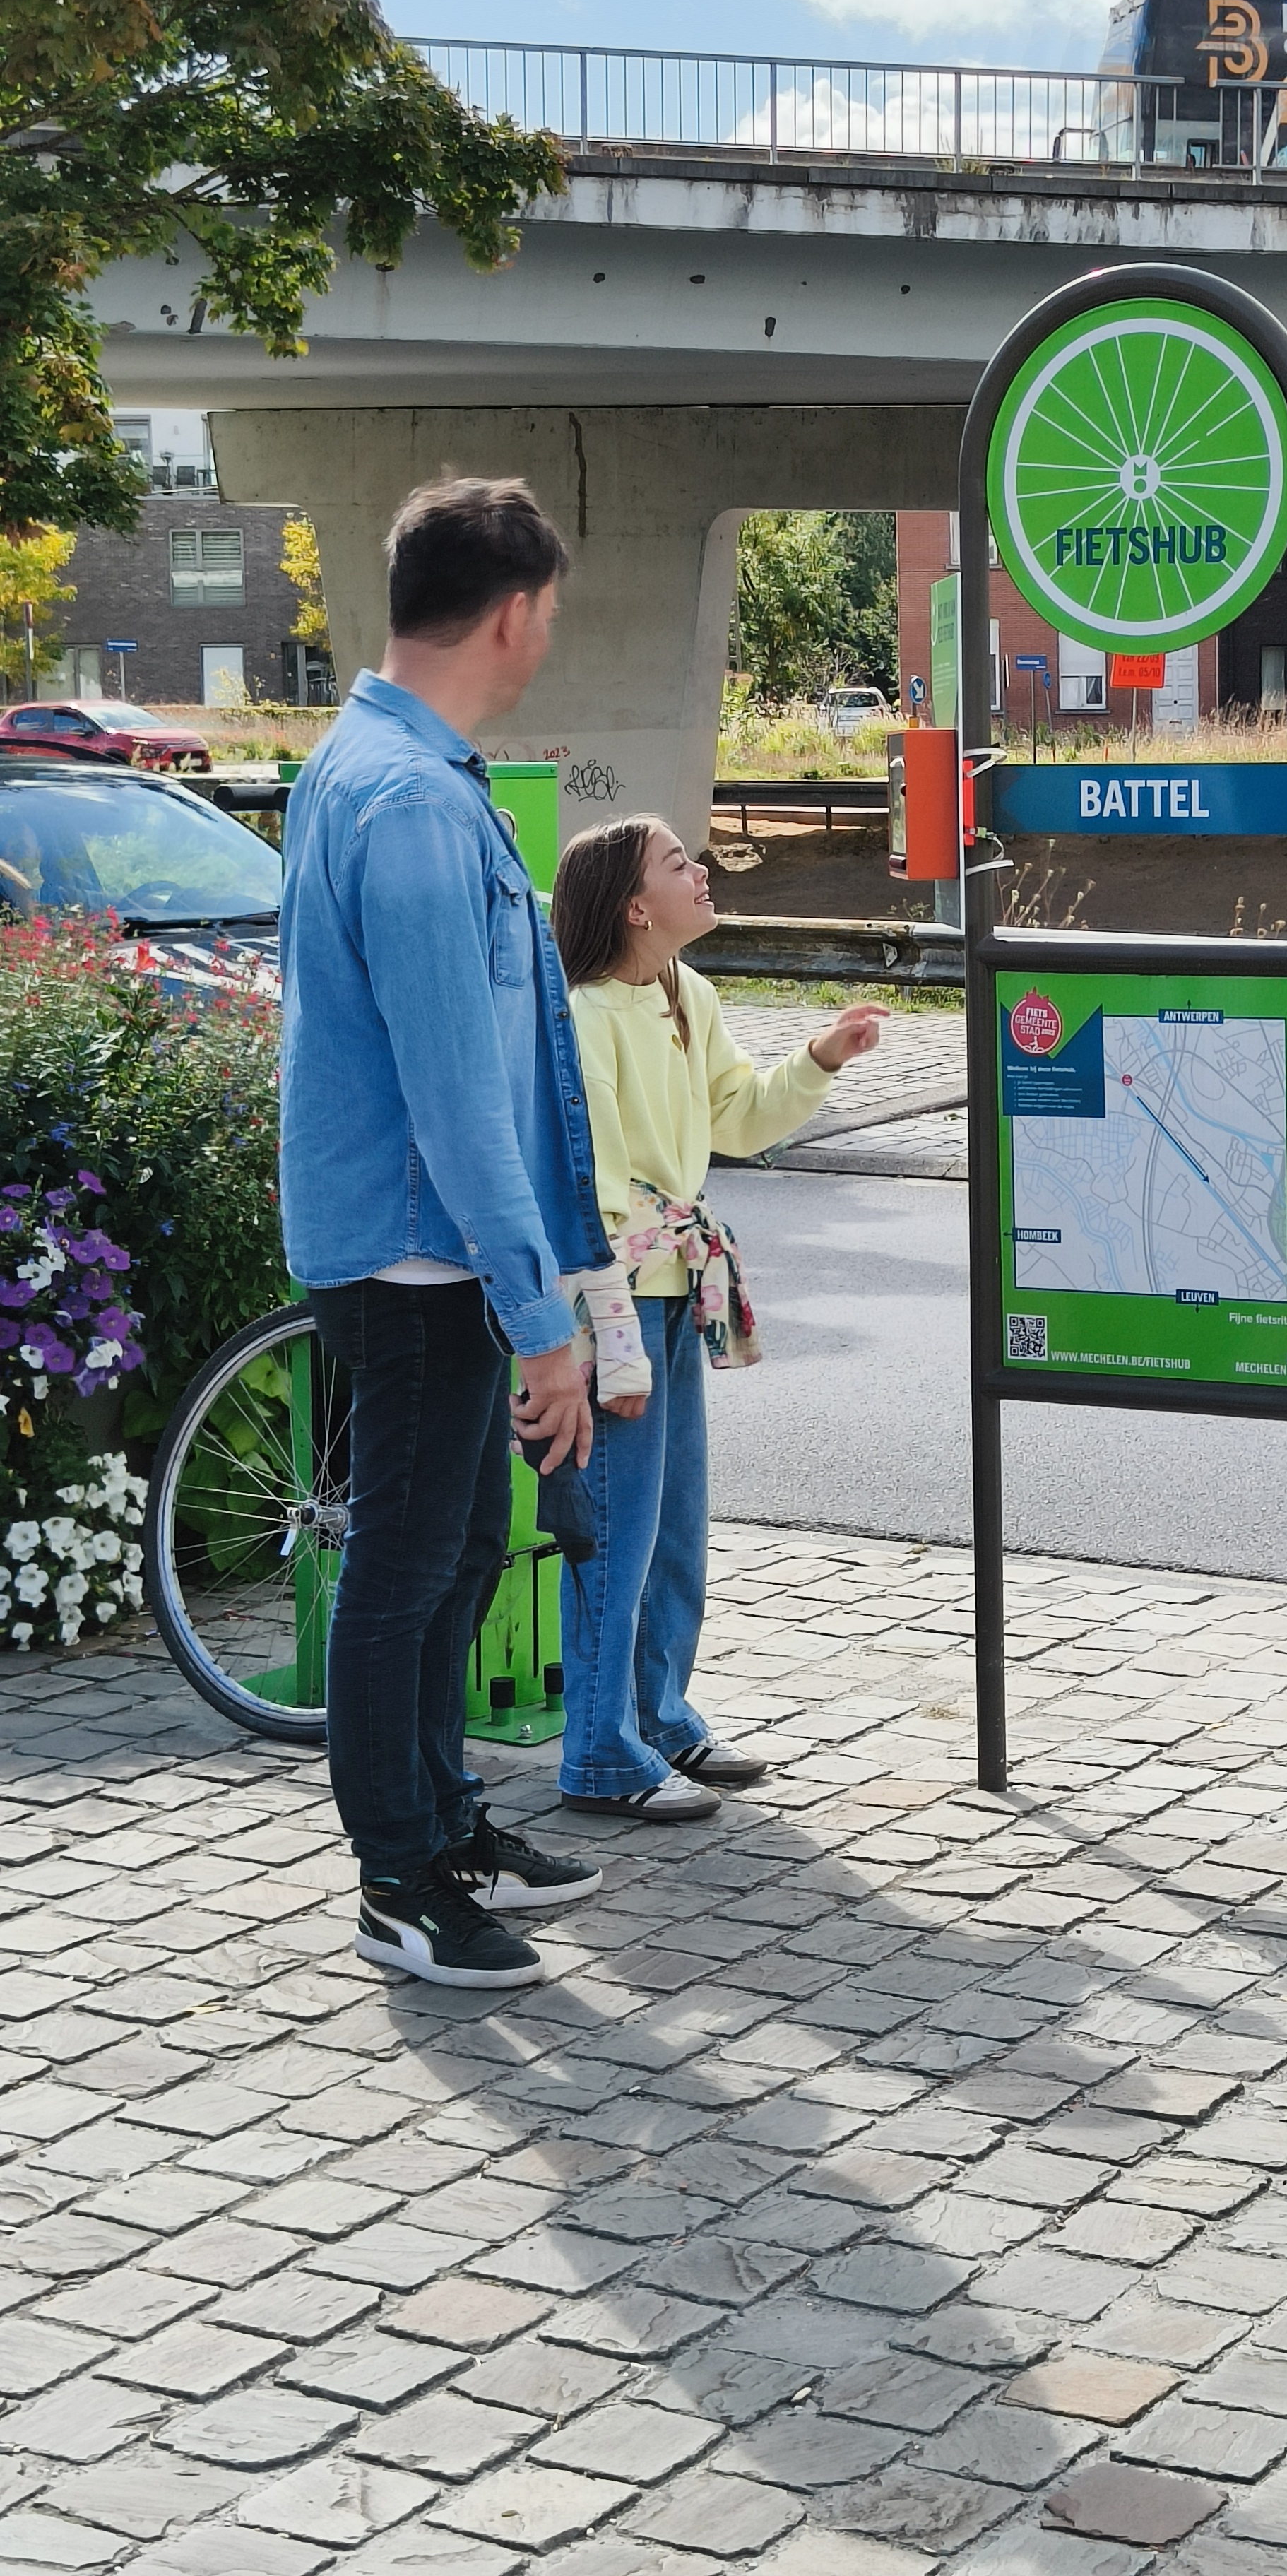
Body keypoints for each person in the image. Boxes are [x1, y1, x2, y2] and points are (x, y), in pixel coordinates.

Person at [280, 477, 612, 1990]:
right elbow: (456, 1089)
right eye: (552, 609)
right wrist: (544, 1313)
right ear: (513, 611)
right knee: (407, 1570)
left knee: (458, 1543)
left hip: (425, 1247)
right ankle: (398, 1879)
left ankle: (446, 1819)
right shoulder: (412, 803)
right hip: (423, 1255)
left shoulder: (375, 762)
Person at [549, 815, 885, 1819]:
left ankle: (658, 1717)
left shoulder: (684, 993)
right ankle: (603, 1752)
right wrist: (600, 1326)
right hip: (617, 1299)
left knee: (673, 1526)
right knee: (614, 1528)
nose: (702, 872)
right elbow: (590, 1178)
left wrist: (820, 1056)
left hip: (672, 1290)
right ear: (634, 906)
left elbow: (737, 1116)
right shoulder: (586, 1012)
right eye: (677, 864)